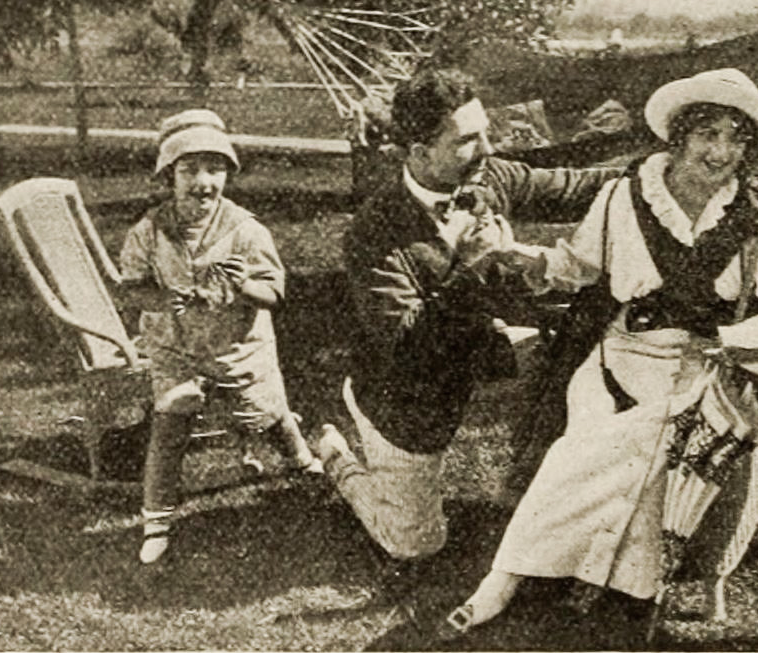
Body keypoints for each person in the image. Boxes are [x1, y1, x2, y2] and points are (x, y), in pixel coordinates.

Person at [437, 68, 758, 638]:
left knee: (647, 442)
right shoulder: (624, 195)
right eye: (708, 134)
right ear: (680, 136)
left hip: (704, 371)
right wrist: (512, 252)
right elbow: (575, 267)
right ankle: (507, 582)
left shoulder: (755, 210)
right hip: (622, 359)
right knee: (589, 443)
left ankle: (594, 581)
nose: (720, 151)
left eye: (736, 138)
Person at [316, 67, 621, 567]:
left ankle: (537, 481)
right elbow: (408, 345)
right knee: (413, 544)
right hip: (406, 391)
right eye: (467, 140)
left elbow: (577, 186)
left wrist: (669, 167)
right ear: (419, 153)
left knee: (583, 359)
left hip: (487, 349)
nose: (487, 148)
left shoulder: (489, 174)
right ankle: (338, 458)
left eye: (485, 132)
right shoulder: (374, 231)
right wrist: (476, 267)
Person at [119, 109, 322, 565]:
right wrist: (161, 296)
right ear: (168, 176)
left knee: (267, 411)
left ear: (228, 174)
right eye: (189, 170)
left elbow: (274, 292)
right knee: (170, 418)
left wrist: (241, 286)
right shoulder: (149, 231)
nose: (203, 183)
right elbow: (130, 287)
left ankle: (301, 458)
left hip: (238, 346)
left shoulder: (246, 230)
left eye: (215, 170)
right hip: (175, 348)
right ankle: (156, 521)